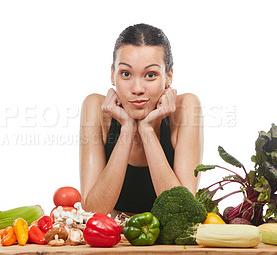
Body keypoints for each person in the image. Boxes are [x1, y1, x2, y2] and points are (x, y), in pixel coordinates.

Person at [79, 23, 203, 217]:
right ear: (113, 74)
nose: (137, 88)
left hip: (168, 246)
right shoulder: (95, 107)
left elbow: (182, 213)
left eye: (150, 75)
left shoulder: (186, 108)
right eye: (126, 74)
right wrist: (127, 129)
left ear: (168, 76)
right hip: (113, 242)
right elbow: (92, 212)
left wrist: (146, 131)